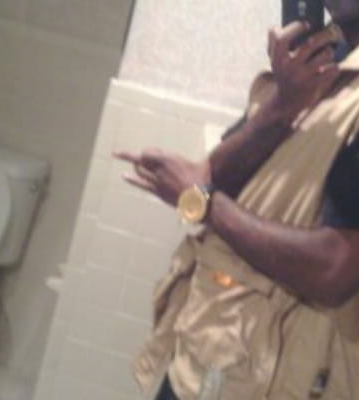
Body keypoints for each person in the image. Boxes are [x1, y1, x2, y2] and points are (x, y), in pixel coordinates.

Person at [115, 1, 359, 399]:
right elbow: (215, 177)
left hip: (287, 379)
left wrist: (204, 203)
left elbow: (335, 270)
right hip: (209, 353)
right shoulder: (317, 59)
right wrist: (283, 104)